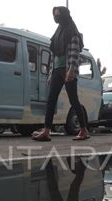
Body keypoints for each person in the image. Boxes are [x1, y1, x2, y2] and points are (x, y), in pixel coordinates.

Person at [32, 6, 90, 142]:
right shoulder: (58, 32)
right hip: (57, 70)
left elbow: (75, 52)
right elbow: (54, 54)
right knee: (51, 99)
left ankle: (83, 129)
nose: (56, 17)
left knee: (73, 100)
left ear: (65, 15)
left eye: (58, 15)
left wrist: (71, 70)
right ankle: (46, 131)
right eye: (54, 15)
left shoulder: (72, 31)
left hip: (68, 69)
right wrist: (51, 72)